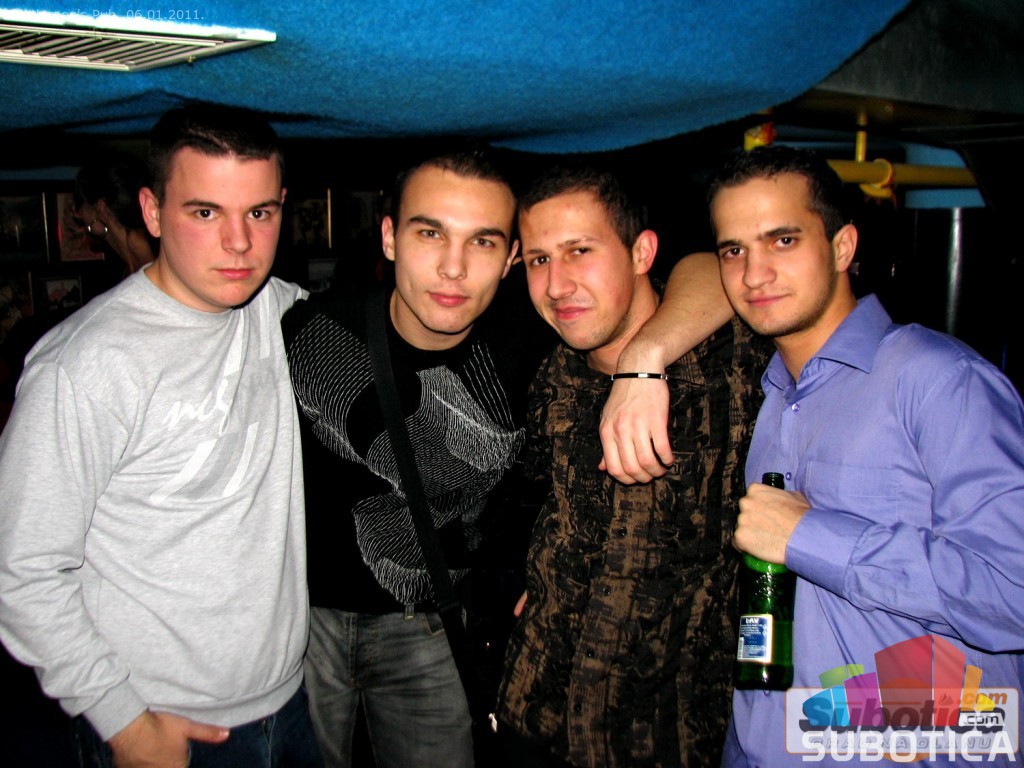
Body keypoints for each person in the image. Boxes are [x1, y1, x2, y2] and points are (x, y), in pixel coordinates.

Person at [282, 151, 729, 768]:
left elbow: (714, 271)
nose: (454, 267)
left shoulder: (539, 323)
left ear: (510, 257)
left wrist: (643, 360)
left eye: (483, 241)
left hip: (434, 627)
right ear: (389, 237)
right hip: (302, 625)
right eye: (430, 233)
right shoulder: (307, 331)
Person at [0, 104, 321, 768]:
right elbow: (21, 570)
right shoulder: (86, 365)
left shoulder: (282, 312)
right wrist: (124, 723)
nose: (239, 243)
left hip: (290, 701)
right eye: (205, 212)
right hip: (162, 719)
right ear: (151, 211)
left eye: (259, 212)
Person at [709, 146, 1024, 766]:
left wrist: (811, 536)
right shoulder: (774, 396)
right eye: (733, 250)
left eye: (783, 240)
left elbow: (1012, 590)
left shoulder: (939, 380)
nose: (754, 274)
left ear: (842, 247)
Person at [496, 165, 769, 767]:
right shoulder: (550, 376)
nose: (556, 284)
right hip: (534, 712)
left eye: (580, 250)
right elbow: (534, 498)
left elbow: (720, 270)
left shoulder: (733, 363)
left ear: (642, 253)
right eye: (539, 259)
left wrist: (645, 360)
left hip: (665, 735)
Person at [73, 154, 158, 274]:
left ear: (101, 207)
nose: (80, 214)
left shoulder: (138, 246)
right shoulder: (130, 253)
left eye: (81, 205)